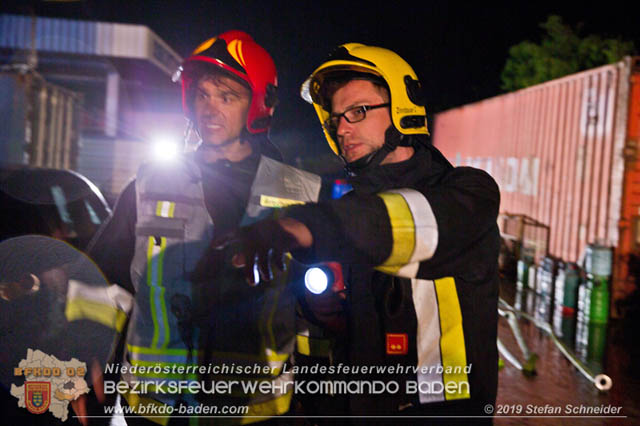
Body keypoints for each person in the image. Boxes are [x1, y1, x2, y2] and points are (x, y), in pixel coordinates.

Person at [225, 43, 500, 424]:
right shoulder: (352, 210)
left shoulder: (469, 194)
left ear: (403, 108)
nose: (342, 128)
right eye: (335, 118)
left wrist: (300, 225)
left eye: (357, 112)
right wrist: (325, 317)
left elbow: (401, 223)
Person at [84, 31, 321, 425]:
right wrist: (84, 353)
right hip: (157, 409)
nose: (210, 109)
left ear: (259, 102)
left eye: (227, 96)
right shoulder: (149, 184)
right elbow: (103, 283)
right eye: (202, 95)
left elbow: (316, 312)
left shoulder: (300, 193)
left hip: (254, 410)